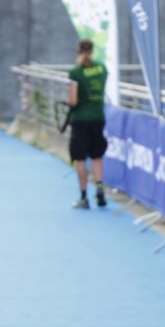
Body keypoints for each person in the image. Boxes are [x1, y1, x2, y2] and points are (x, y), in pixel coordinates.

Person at [67, 38, 108, 209]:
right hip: (98, 117)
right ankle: (100, 190)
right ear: (92, 50)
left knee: (80, 158)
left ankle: (84, 196)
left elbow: (73, 100)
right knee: (97, 156)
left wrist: (69, 102)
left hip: (80, 120)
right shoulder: (102, 68)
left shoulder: (76, 72)